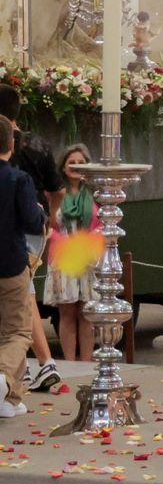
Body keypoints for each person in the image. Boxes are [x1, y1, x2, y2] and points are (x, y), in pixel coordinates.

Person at [0, 86, 62, 393]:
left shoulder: (10, 147)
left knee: (22, 297)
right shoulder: (37, 144)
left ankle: (43, 362)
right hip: (33, 229)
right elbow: (57, 187)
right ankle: (24, 373)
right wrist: (50, 218)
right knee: (21, 296)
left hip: (13, 230)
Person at [0, 117, 44, 419]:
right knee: (17, 332)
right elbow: (31, 222)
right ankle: (3, 378)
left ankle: (10, 398)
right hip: (10, 263)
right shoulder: (18, 179)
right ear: (11, 144)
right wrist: (40, 214)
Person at [42, 145, 95, 363]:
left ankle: (87, 362)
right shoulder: (54, 193)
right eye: (72, 162)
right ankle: (70, 363)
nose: (76, 166)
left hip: (88, 258)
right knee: (67, 314)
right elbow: (49, 225)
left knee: (87, 314)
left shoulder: (95, 193)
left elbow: (100, 225)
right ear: (63, 167)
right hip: (63, 257)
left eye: (82, 163)